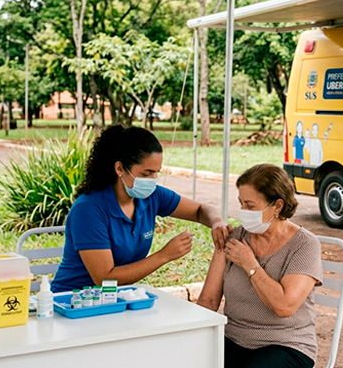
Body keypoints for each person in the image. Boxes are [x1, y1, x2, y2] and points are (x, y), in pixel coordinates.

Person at [51, 124, 230, 293]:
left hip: (116, 298)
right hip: (72, 301)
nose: (153, 179)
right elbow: (105, 279)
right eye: (146, 173)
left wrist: (217, 222)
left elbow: (200, 210)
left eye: (157, 172)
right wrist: (164, 255)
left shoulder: (151, 197)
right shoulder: (89, 210)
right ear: (120, 168)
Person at [197, 164, 323, 368]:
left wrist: (249, 263)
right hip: (233, 338)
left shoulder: (304, 245)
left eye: (250, 205)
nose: (243, 211)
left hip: (286, 344)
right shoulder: (234, 238)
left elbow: (284, 307)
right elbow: (208, 300)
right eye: (241, 203)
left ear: (277, 206)